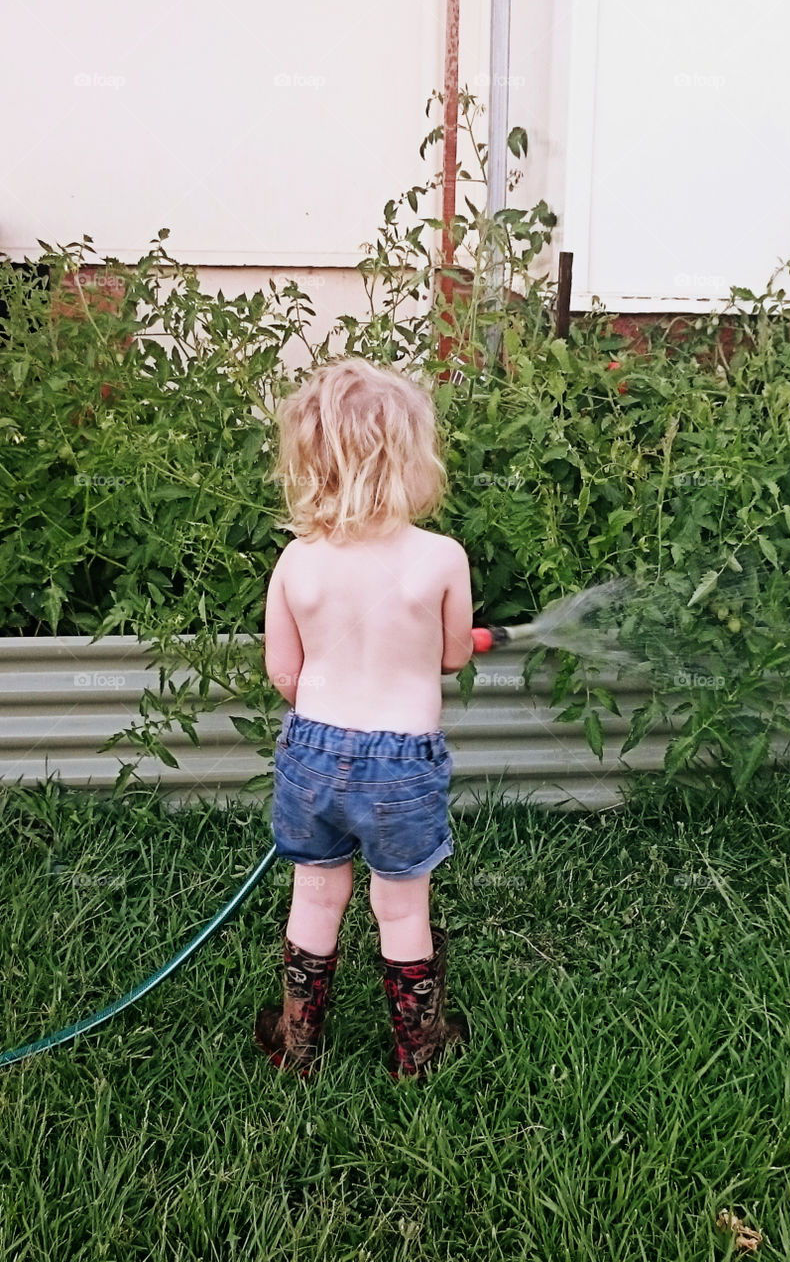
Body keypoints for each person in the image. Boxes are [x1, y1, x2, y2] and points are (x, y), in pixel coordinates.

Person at [252, 355, 474, 1081]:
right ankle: (418, 1049)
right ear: (409, 457)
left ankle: (298, 1045)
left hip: (311, 753)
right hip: (402, 763)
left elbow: (284, 672)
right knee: (401, 907)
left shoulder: (295, 562)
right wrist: (451, 644)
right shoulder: (441, 558)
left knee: (316, 894)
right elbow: (450, 659)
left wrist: (321, 712)